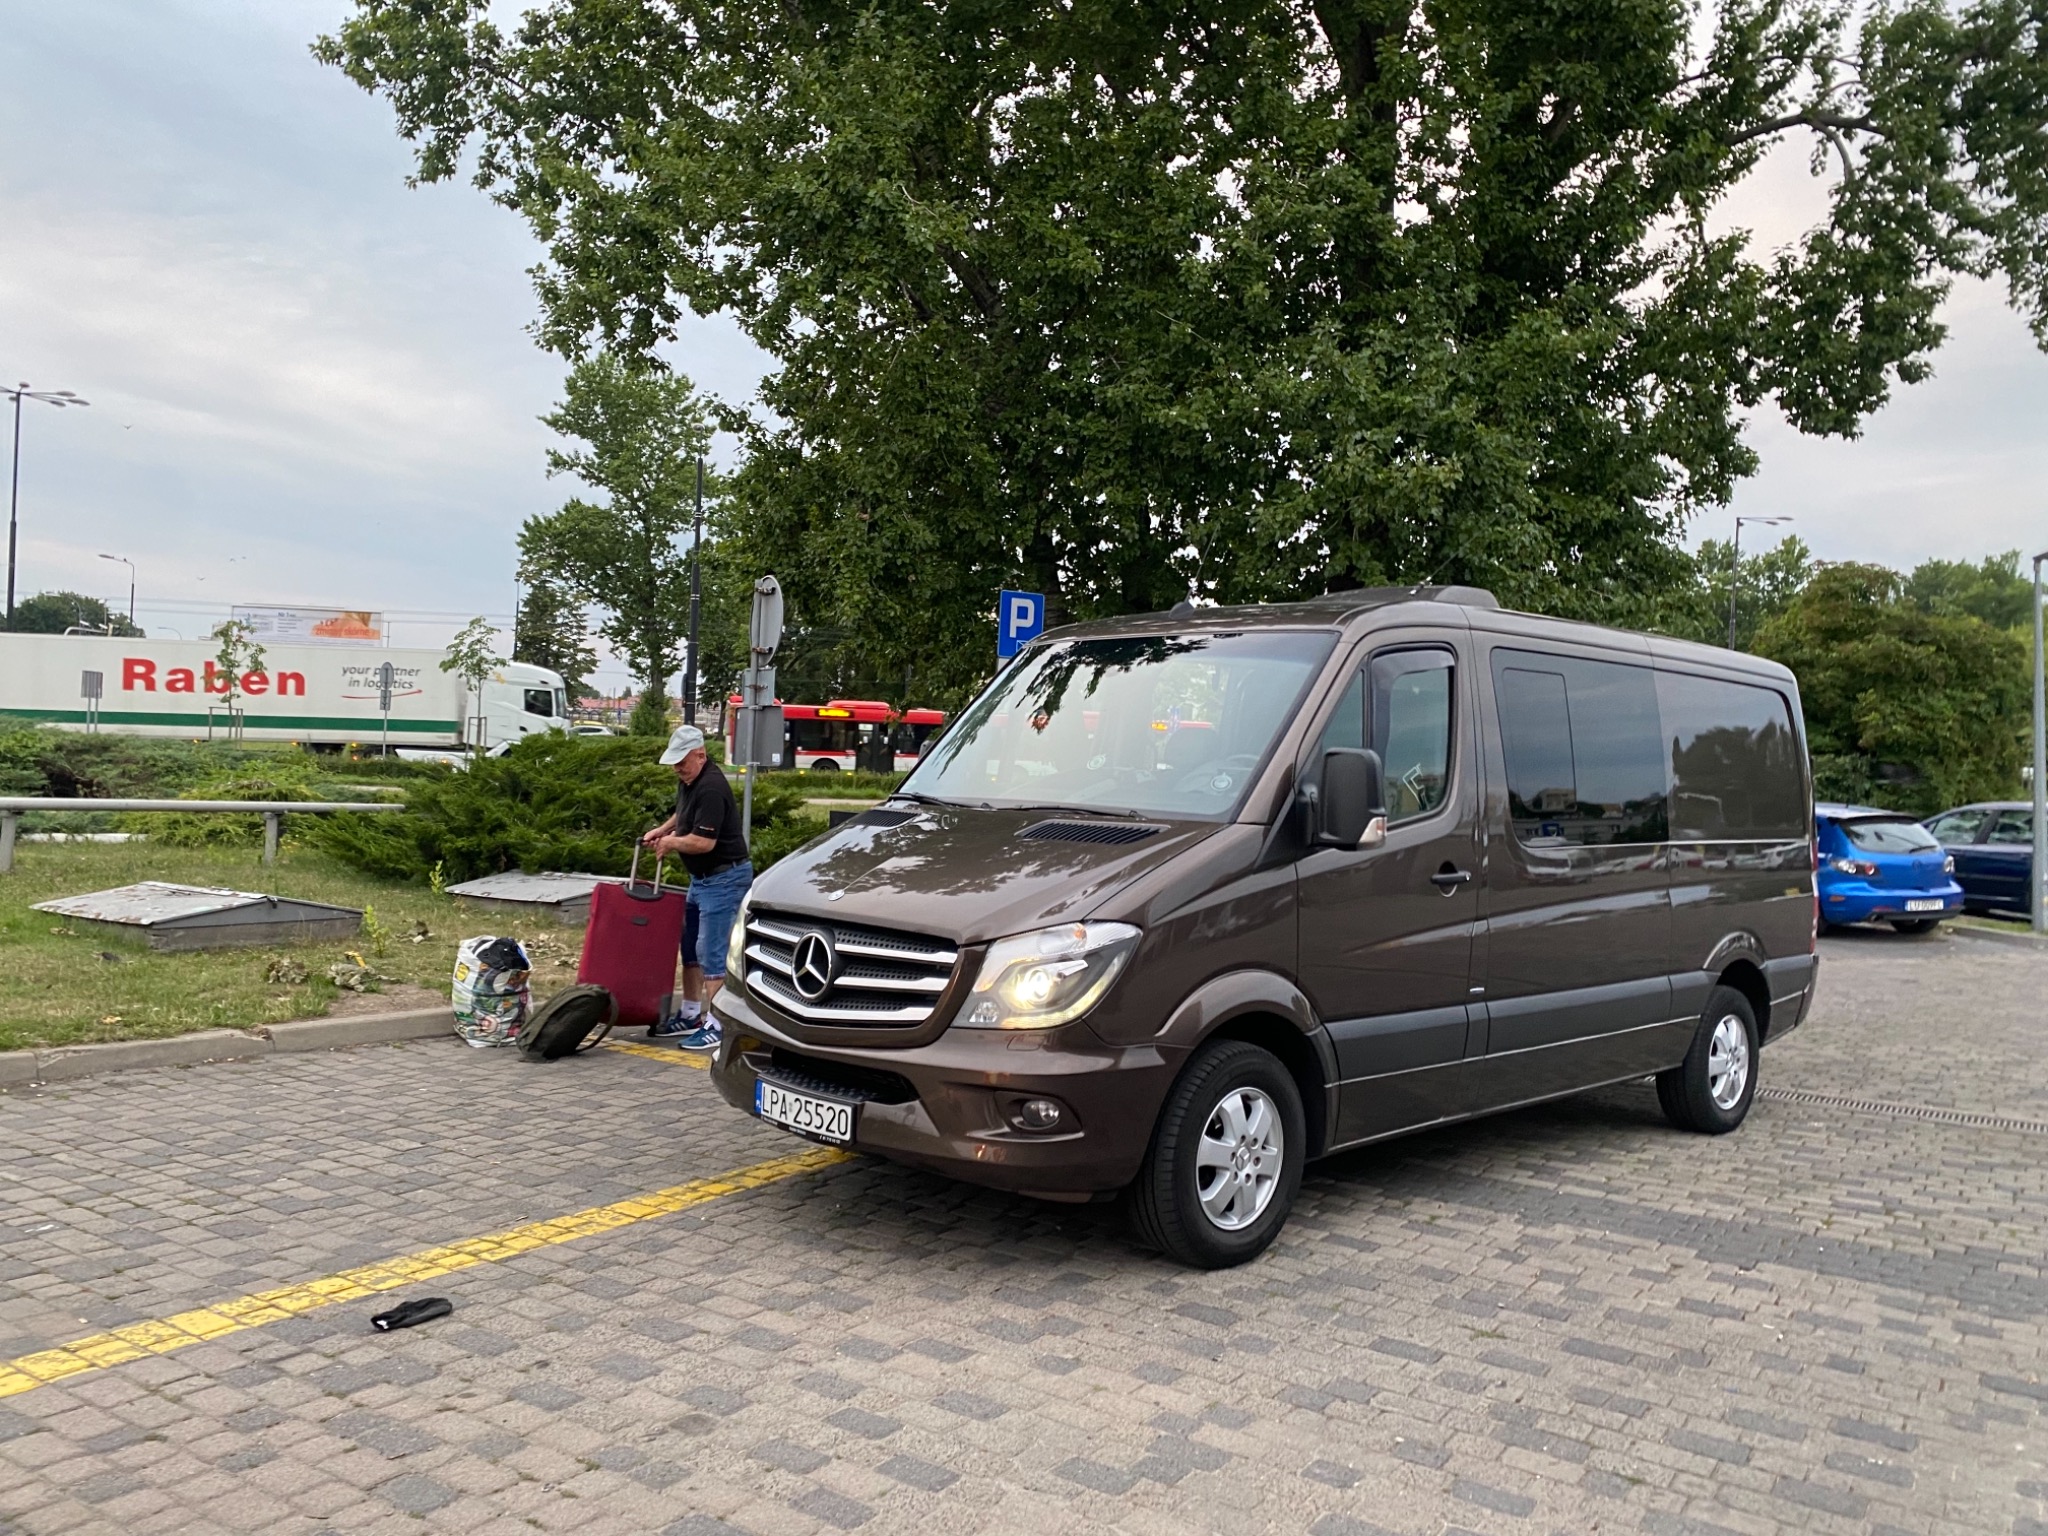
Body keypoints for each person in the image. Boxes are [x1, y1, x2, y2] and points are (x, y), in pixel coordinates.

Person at [641, 724, 753, 1048]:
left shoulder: (712, 787)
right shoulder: (689, 781)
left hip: (724, 879)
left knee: (711, 952)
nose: (677, 768)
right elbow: (683, 813)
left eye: (682, 761)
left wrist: (671, 843)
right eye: (674, 761)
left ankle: (718, 1026)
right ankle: (690, 1013)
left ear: (700, 755)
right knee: (690, 946)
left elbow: (704, 842)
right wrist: (661, 830)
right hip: (701, 880)